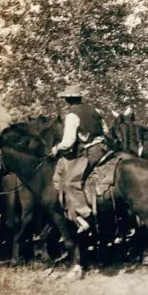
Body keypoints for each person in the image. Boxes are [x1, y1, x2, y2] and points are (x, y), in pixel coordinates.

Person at [51, 84, 109, 233]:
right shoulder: (94, 110)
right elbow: (106, 129)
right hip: (105, 148)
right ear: (80, 97)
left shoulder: (71, 115)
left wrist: (57, 148)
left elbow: (68, 142)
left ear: (66, 100)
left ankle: (85, 215)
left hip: (90, 152)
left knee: (70, 182)